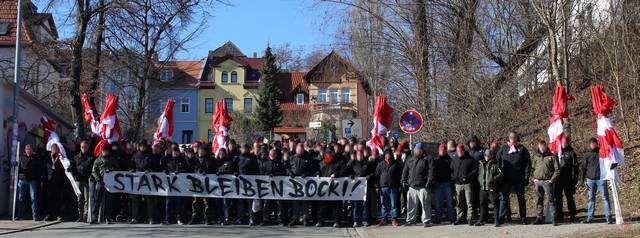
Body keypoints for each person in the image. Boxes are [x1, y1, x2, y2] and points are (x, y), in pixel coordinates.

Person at [497, 132, 531, 224]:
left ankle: (523, 219)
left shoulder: (522, 149)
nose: (513, 139)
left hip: (519, 179)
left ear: (517, 138)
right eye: (511, 137)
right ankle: (501, 219)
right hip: (506, 179)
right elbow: (497, 161)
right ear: (508, 138)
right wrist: (499, 175)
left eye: (514, 137)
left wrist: (526, 177)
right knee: (504, 199)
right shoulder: (503, 148)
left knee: (521, 199)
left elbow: (528, 164)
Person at [581, 138, 613, 224]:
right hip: (590, 180)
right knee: (591, 198)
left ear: (597, 144)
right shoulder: (587, 155)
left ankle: (608, 217)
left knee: (605, 197)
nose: (592, 145)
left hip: (601, 178)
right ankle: (590, 217)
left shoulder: (602, 153)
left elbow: (609, 161)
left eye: (593, 143)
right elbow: (583, 168)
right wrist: (582, 180)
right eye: (590, 143)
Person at [401, 142, 434, 227]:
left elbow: (431, 171)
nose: (415, 150)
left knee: (425, 204)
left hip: (423, 186)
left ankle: (426, 221)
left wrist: (429, 182)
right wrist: (403, 180)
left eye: (417, 149)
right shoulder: (410, 158)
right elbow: (405, 170)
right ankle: (410, 220)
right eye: (415, 149)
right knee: (411, 204)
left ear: (422, 150)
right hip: (412, 186)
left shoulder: (428, 158)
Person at [531, 140, 559, 226]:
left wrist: (551, 180)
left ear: (546, 147)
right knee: (539, 200)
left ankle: (554, 218)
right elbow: (532, 169)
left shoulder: (552, 156)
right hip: (538, 182)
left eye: (543, 147)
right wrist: (533, 178)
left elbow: (557, 170)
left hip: (547, 182)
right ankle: (539, 218)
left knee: (551, 200)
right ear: (539, 147)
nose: (542, 149)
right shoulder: (536, 157)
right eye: (540, 147)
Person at [316, 149, 347, 228]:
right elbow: (317, 170)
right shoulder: (321, 163)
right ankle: (320, 221)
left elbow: (344, 170)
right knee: (322, 205)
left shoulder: (338, 163)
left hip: (335, 188)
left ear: (333, 155)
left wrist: (336, 174)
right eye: (327, 154)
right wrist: (317, 174)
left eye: (330, 154)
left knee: (335, 205)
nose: (328, 156)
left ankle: (337, 221)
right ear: (324, 155)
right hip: (324, 188)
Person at [287, 143, 316, 226]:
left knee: (304, 201)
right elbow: (287, 167)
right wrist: (289, 172)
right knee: (295, 201)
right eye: (298, 150)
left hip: (304, 182)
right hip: (294, 183)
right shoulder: (292, 158)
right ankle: (295, 217)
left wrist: (306, 173)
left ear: (303, 150)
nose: (299, 151)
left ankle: (305, 218)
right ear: (296, 150)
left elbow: (312, 169)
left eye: (301, 150)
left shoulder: (308, 158)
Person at [91, 143, 120, 224]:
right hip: (100, 183)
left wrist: (112, 169)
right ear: (101, 151)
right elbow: (94, 171)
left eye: (106, 151)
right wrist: (98, 179)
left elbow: (118, 169)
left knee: (109, 201)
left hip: (109, 183)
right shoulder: (97, 160)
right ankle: (94, 217)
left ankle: (108, 217)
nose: (105, 152)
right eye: (104, 151)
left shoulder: (112, 160)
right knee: (97, 201)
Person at [451, 144, 478, 226]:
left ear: (463, 151)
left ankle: (470, 218)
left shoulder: (470, 159)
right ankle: (459, 218)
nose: (459, 153)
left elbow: (475, 170)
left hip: (467, 184)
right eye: (457, 151)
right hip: (457, 184)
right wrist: (454, 177)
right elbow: (451, 169)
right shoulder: (455, 159)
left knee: (469, 202)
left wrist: (467, 177)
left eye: (460, 151)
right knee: (459, 202)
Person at [189, 145, 217, 225]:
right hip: (196, 184)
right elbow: (191, 169)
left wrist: (207, 172)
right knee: (195, 201)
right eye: (199, 151)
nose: (200, 152)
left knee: (207, 201)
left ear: (205, 151)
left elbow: (214, 170)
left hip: (207, 184)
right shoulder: (195, 160)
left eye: (202, 151)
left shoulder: (211, 159)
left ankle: (207, 218)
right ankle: (195, 217)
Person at [260, 148, 288, 226]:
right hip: (267, 187)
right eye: (271, 154)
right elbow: (261, 174)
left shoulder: (280, 163)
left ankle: (280, 219)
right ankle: (265, 219)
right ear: (269, 155)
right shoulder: (265, 163)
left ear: (276, 155)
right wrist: (267, 175)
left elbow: (283, 173)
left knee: (279, 203)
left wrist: (276, 174)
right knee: (266, 203)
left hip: (277, 187)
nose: (272, 156)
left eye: (274, 154)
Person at [348, 150, 375, 227]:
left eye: (361, 155)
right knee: (356, 205)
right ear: (356, 156)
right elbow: (347, 172)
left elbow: (373, 173)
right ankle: (356, 220)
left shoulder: (367, 164)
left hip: (365, 187)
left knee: (365, 204)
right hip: (355, 188)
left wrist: (369, 176)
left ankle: (364, 219)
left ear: (363, 156)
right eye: (358, 155)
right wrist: (351, 176)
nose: (360, 156)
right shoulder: (353, 164)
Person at [16, 144, 44, 221]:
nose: (28, 150)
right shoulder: (21, 158)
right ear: (25, 150)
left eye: (30, 149)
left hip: (32, 180)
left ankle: (35, 215)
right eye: (27, 149)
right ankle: (20, 215)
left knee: (33, 198)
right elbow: (18, 169)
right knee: (21, 198)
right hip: (22, 180)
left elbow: (39, 169)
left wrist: (40, 179)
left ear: (32, 150)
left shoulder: (35, 158)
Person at [554, 138, 579, 222]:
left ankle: (572, 214)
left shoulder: (571, 153)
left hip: (568, 179)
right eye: (562, 142)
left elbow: (576, 168)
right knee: (558, 198)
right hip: (558, 179)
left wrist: (575, 180)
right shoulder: (556, 153)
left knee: (569, 197)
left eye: (565, 142)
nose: (564, 144)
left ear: (568, 143)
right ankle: (559, 215)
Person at [45, 143, 71, 221]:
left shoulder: (60, 158)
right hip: (49, 182)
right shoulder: (47, 158)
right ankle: (49, 215)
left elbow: (64, 169)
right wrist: (43, 180)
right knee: (49, 199)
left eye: (57, 149)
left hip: (58, 182)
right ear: (51, 150)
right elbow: (44, 169)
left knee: (58, 199)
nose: (55, 151)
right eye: (54, 149)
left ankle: (58, 215)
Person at [376, 149, 402, 226]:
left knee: (393, 204)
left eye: (389, 154)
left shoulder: (396, 164)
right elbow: (377, 175)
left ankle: (394, 219)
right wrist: (377, 186)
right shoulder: (380, 164)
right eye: (386, 154)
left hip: (393, 187)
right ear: (384, 155)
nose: (388, 155)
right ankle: (384, 219)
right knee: (384, 204)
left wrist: (398, 185)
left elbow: (399, 175)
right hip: (383, 187)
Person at [163, 146, 188, 225]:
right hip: (169, 184)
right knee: (168, 202)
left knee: (179, 202)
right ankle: (168, 219)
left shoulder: (183, 160)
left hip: (179, 185)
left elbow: (187, 169)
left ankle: (179, 218)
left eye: (176, 151)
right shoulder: (168, 160)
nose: (175, 153)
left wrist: (181, 171)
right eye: (173, 151)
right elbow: (163, 168)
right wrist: (165, 171)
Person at [477, 149, 502, 227]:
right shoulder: (480, 163)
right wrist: (479, 180)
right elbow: (479, 173)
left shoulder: (495, 164)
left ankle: (496, 220)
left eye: (488, 155)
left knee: (495, 204)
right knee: (482, 204)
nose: (486, 157)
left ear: (491, 156)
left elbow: (501, 174)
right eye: (485, 155)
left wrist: (493, 179)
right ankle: (481, 220)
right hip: (483, 188)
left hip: (492, 187)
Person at [236, 144, 260, 225]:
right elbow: (235, 167)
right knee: (240, 201)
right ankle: (240, 218)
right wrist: (235, 173)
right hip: (240, 183)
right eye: (243, 148)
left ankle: (251, 218)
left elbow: (257, 170)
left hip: (250, 183)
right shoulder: (238, 158)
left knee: (250, 201)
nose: (244, 150)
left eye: (246, 148)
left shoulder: (253, 158)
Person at [432, 144, 455, 224]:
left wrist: (452, 180)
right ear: (439, 150)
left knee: (450, 202)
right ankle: (438, 218)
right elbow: (433, 171)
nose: (442, 151)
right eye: (441, 150)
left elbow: (453, 171)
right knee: (438, 203)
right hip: (438, 184)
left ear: (446, 150)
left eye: (444, 150)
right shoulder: (435, 160)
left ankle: (452, 218)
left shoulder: (450, 160)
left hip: (447, 183)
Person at [73, 140, 95, 222]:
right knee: (79, 198)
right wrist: (74, 174)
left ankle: (85, 216)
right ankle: (80, 216)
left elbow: (92, 169)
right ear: (80, 147)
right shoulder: (76, 157)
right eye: (82, 147)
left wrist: (91, 177)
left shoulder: (91, 157)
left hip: (87, 181)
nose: (84, 149)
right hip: (78, 180)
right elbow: (74, 168)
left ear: (88, 147)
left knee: (87, 199)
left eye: (86, 147)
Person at [215, 148, 237, 225]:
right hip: (217, 185)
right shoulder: (216, 162)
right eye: (220, 153)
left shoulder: (229, 162)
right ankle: (219, 217)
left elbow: (230, 171)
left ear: (225, 154)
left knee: (226, 202)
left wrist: (221, 172)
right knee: (218, 203)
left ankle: (226, 218)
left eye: (223, 153)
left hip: (226, 186)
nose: (221, 155)